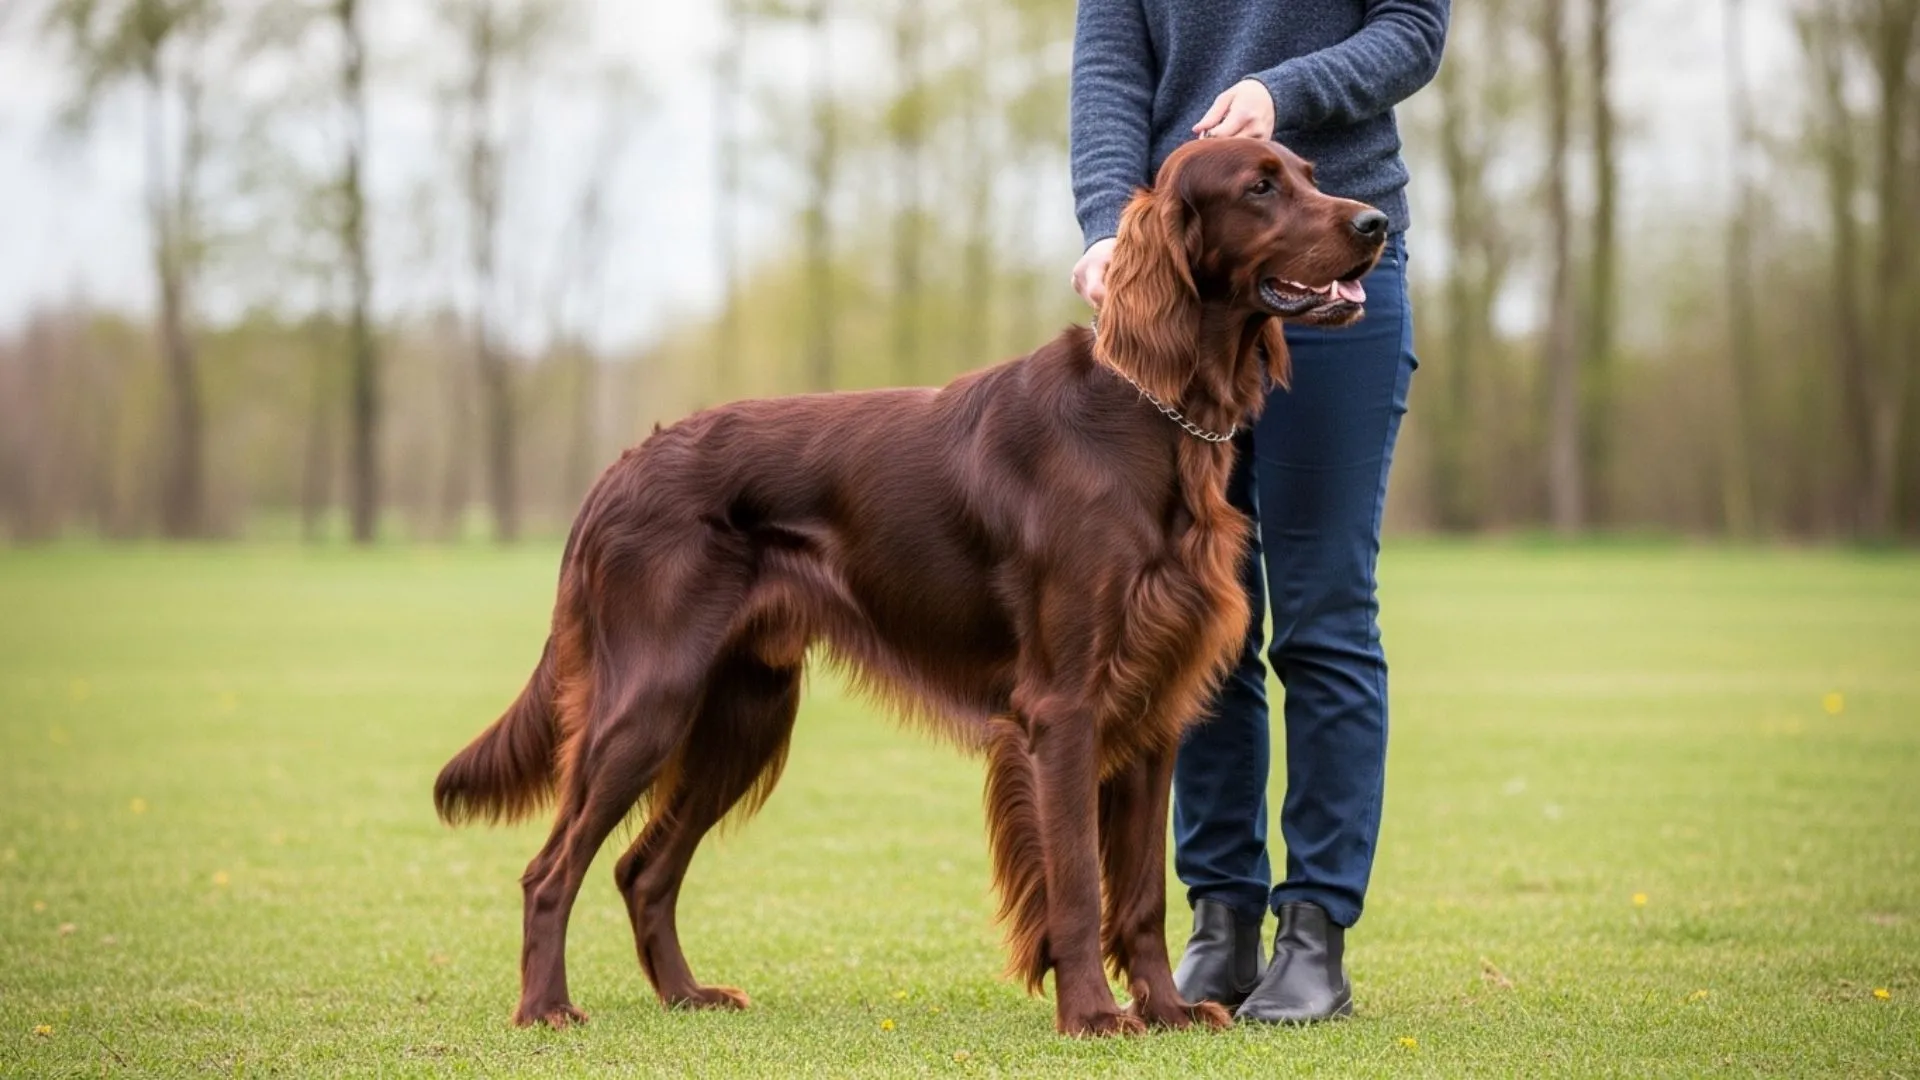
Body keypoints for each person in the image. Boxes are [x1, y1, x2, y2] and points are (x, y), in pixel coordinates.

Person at [1068, 0, 1450, 1023]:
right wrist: (1111, 224)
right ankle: (1221, 923)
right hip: (1191, 289)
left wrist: (1283, 95)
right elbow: (1109, 68)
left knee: (1325, 618)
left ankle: (1315, 934)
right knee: (1197, 620)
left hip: (1338, 278)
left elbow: (1414, 27)